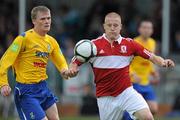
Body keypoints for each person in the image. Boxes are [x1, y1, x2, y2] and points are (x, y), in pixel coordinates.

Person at [68, 12, 175, 120]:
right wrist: (72, 70)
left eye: (115, 25)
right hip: (105, 97)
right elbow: (75, 62)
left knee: (147, 117)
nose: (112, 28)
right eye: (109, 25)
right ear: (104, 26)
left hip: (126, 92)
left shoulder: (130, 44)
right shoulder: (92, 46)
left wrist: (163, 62)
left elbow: (152, 56)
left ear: (121, 27)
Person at [0, 6, 70, 120]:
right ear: (34, 21)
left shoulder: (51, 42)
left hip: (43, 87)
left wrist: (66, 71)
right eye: (42, 19)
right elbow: (4, 61)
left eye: (48, 18)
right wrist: (3, 83)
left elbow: (61, 63)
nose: (47, 21)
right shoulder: (23, 38)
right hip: (26, 91)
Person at [123, 20, 159, 120]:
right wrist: (132, 74)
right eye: (144, 27)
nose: (147, 30)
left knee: (154, 108)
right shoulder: (133, 43)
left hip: (146, 82)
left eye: (149, 28)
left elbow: (150, 60)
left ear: (152, 30)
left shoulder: (152, 42)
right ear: (139, 29)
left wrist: (154, 72)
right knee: (132, 110)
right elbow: (125, 62)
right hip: (133, 82)